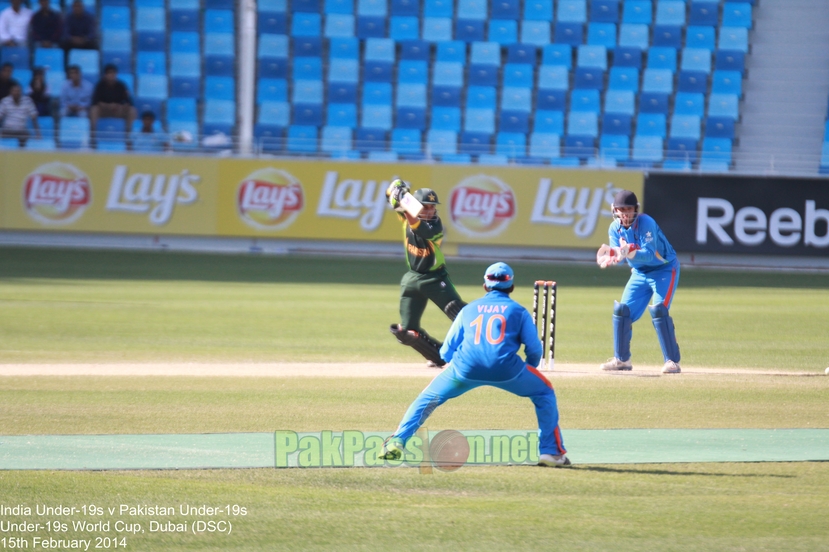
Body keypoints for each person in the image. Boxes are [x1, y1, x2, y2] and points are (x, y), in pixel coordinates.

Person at [379, 262, 570, 468]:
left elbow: (445, 351)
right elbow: (534, 350)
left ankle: (396, 443)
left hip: (464, 368)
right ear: (511, 287)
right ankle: (551, 452)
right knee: (544, 392)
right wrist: (528, 371)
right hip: (507, 369)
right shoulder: (519, 311)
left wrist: (457, 368)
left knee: (427, 399)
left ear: (485, 286)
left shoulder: (468, 310)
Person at [596, 189, 682, 374]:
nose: (625, 214)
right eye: (622, 210)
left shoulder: (646, 223)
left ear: (636, 209)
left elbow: (649, 254)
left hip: (664, 269)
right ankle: (622, 360)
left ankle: (672, 361)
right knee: (622, 311)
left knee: (659, 310)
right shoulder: (614, 228)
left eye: (629, 209)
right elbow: (620, 255)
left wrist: (629, 252)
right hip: (640, 272)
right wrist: (614, 257)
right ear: (615, 210)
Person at [386, 179, 466, 368]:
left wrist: (404, 203)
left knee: (462, 316)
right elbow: (391, 197)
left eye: (432, 207)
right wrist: (397, 190)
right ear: (417, 206)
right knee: (405, 333)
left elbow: (417, 225)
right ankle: (440, 357)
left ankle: (482, 351)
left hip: (435, 278)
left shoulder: (436, 227)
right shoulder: (407, 214)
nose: (430, 211)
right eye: (425, 207)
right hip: (412, 279)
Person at [89, 64, 135, 144]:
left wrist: (120, 106)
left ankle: (129, 138)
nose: (111, 75)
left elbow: (129, 102)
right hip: (104, 111)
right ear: (105, 75)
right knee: (94, 110)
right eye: (109, 73)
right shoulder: (100, 85)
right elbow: (95, 102)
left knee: (132, 111)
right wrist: (107, 106)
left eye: (113, 73)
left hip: (117, 111)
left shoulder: (121, 85)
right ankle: (93, 137)